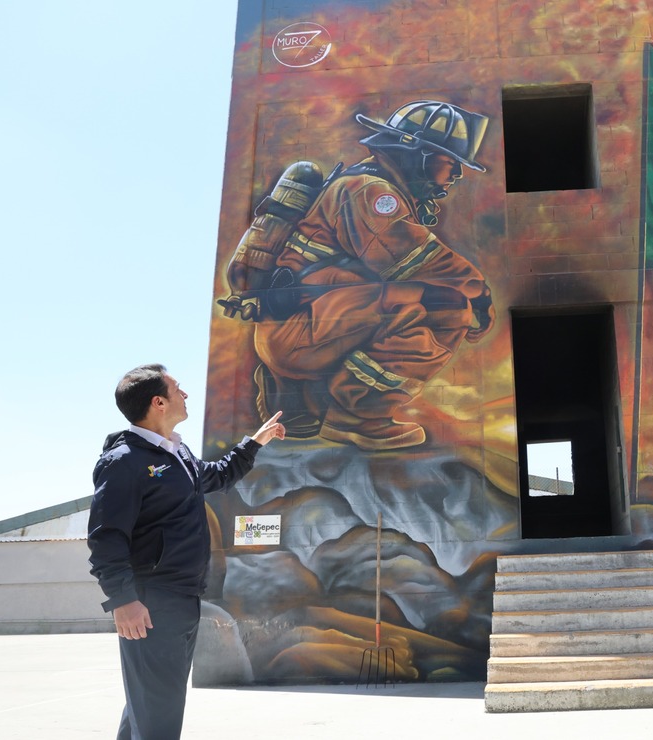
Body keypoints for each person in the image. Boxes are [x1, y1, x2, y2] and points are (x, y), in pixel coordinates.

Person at [235, 100, 494, 451]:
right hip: (300, 329)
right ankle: (359, 417)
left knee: (417, 297)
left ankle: (300, 393)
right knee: (449, 309)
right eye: (450, 162)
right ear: (416, 151)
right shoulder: (369, 191)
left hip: (305, 322)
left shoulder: (373, 186)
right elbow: (415, 259)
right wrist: (479, 294)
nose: (456, 175)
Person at [88, 364, 285, 740]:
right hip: (150, 601)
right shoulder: (125, 461)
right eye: (178, 389)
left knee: (148, 703)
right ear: (158, 402)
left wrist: (255, 441)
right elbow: (105, 536)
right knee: (158, 709)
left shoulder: (178, 455)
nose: (186, 395)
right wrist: (122, 599)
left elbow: (219, 474)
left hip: (182, 596)